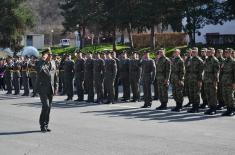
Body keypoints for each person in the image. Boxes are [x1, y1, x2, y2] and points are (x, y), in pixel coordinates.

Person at [36, 48, 56, 132]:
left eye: (51, 55)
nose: (51, 56)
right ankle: (42, 125)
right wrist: (42, 60)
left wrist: (56, 87)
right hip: (42, 88)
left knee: (49, 108)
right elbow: (38, 70)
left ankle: (46, 124)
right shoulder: (40, 63)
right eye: (49, 54)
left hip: (50, 88)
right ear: (45, 55)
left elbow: (55, 75)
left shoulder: (53, 63)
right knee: (46, 106)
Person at [203, 48, 220, 115]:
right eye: (208, 52)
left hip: (212, 80)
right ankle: (210, 108)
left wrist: (215, 82)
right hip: (207, 80)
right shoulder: (207, 59)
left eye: (209, 52)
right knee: (208, 94)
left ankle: (214, 109)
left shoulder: (215, 60)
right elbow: (205, 69)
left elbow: (216, 72)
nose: (208, 53)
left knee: (213, 95)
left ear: (213, 52)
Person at [187, 47, 204, 113]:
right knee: (192, 93)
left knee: (196, 94)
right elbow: (188, 69)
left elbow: (201, 71)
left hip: (196, 79)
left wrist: (200, 81)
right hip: (191, 79)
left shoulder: (199, 60)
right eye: (192, 52)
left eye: (194, 52)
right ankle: (193, 107)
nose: (193, 53)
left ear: (197, 53)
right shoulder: (190, 60)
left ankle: (196, 108)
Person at [220, 48, 235, 116]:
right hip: (224, 80)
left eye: (228, 52)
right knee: (224, 95)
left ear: (231, 53)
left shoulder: (233, 62)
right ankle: (228, 109)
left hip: (230, 81)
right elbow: (222, 71)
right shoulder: (224, 61)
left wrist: (234, 83)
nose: (226, 54)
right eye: (226, 53)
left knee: (230, 96)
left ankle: (232, 109)